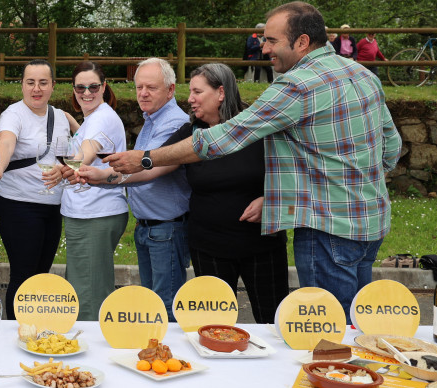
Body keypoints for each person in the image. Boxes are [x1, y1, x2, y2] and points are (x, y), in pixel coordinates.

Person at [106, 2, 402, 320]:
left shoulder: (297, 85)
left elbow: (224, 137)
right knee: (356, 324)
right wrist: (358, 181)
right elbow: (391, 147)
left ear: (302, 42)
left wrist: (147, 158)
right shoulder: (362, 74)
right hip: (371, 224)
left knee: (329, 329)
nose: (263, 47)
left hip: (326, 231)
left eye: (272, 40)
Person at [81, 63, 289, 323]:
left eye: (197, 92)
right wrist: (101, 176)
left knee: (271, 322)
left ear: (221, 93)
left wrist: (271, 198)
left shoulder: (258, 128)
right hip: (208, 247)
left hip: (261, 245)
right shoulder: (190, 132)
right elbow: (150, 168)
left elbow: (293, 172)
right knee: (213, 326)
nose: (189, 99)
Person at [0, 60, 73, 319]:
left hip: (53, 204)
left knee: (42, 273)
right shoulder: (13, 113)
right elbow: (6, 142)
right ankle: (15, 331)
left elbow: (76, 149)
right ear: (21, 85)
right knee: (23, 274)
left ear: (53, 86)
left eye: (43, 82)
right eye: (30, 82)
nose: (37, 88)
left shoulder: (60, 117)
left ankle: (36, 332)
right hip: (18, 204)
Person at [121, 58, 191, 322]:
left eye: (150, 87)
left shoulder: (174, 123)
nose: (143, 93)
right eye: (139, 87)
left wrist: (102, 178)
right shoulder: (151, 118)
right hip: (148, 228)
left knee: (165, 309)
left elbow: (146, 171)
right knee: (153, 305)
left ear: (170, 90)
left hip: (166, 229)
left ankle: (170, 361)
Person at [58, 62, 129, 321]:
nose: (86, 92)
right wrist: (72, 123)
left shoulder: (102, 117)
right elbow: (90, 140)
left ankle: (91, 354)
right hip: (89, 214)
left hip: (94, 214)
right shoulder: (95, 117)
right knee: (85, 285)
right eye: (80, 87)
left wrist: (66, 167)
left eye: (93, 87)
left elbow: (87, 152)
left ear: (104, 86)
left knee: (88, 294)